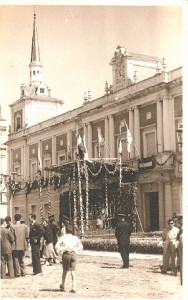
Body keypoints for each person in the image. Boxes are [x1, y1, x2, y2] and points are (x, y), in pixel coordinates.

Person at [55, 223, 83, 293]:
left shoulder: (63, 237)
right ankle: (74, 288)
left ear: (65, 230)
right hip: (73, 255)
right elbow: (81, 247)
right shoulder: (75, 238)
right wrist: (75, 249)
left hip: (66, 255)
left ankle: (63, 286)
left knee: (64, 271)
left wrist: (63, 248)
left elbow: (56, 246)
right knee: (73, 271)